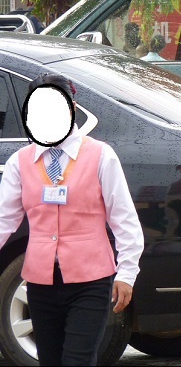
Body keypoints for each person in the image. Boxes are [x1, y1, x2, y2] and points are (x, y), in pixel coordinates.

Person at [0, 73, 144, 366]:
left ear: (72, 108)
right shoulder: (20, 161)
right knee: (50, 359)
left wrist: (127, 273)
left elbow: (124, 218)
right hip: (40, 281)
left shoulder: (101, 156)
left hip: (91, 280)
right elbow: (3, 220)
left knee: (78, 359)